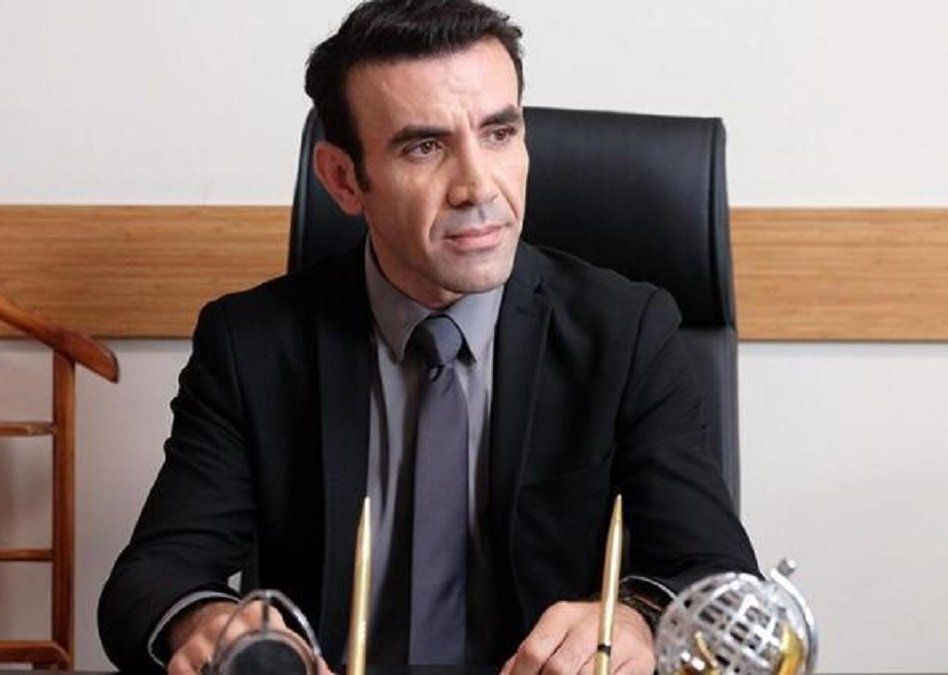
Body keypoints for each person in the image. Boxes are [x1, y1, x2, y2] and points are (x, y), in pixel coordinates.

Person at [98, 1, 758, 673]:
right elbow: (154, 576)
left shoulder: (627, 332)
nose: (476, 186)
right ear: (344, 179)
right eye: (424, 146)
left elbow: (717, 578)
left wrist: (634, 619)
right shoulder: (252, 345)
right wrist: (207, 622)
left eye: (499, 133)